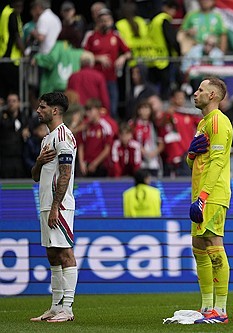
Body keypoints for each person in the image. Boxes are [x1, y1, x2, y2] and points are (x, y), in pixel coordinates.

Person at [187, 77, 233, 324]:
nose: (195, 94)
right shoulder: (203, 122)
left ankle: (221, 310)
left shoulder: (218, 121)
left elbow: (217, 162)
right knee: (198, 246)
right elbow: (194, 162)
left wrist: (203, 198)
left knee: (214, 244)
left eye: (201, 90)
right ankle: (206, 307)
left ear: (213, 95)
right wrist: (191, 153)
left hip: (212, 194)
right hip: (201, 193)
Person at [30, 92, 78, 323]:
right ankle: (55, 306)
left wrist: (56, 207)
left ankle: (67, 309)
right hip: (47, 203)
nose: (38, 111)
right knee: (52, 253)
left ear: (55, 110)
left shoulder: (63, 136)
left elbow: (66, 174)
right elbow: (35, 177)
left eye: (42, 107)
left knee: (65, 253)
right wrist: (38, 162)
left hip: (59, 205)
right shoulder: (46, 139)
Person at [84, 8, 131, 118]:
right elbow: (84, 56)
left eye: (107, 20)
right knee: (96, 107)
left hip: (111, 79)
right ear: (98, 22)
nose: (105, 23)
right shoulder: (91, 36)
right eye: (103, 20)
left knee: (112, 108)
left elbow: (129, 52)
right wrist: (98, 58)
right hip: (95, 80)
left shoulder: (116, 36)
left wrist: (122, 58)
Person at [149, 0, 181, 99]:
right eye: (172, 9)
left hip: (152, 57)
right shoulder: (164, 20)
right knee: (165, 88)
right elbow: (171, 39)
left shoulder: (154, 20)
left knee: (153, 87)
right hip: (164, 59)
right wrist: (179, 52)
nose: (174, 12)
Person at [0, 93, 29, 178]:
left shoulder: (24, 117)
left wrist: (27, 130)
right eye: (9, 101)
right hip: (5, 158)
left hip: (19, 158)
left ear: (19, 103)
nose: (11, 103)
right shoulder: (2, 116)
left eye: (14, 101)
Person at [0, 0, 24, 101]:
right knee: (14, 92)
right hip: (11, 60)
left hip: (3, 57)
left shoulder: (5, 12)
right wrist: (24, 52)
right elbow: (16, 36)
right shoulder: (12, 14)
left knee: (2, 93)